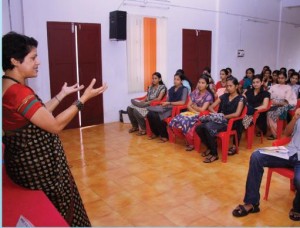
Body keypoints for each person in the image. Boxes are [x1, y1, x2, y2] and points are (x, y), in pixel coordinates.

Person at [2, 32, 108, 227]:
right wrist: (83, 99)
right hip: (36, 172)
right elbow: (54, 125)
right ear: (15, 61)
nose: (38, 62)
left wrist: (62, 95)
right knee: (60, 212)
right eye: (33, 58)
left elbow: (38, 114)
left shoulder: (10, 85)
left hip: (25, 167)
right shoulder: (16, 92)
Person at [232, 108, 300, 221]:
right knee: (257, 156)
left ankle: (298, 207)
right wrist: (295, 118)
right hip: (289, 152)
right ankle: (252, 203)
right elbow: (287, 133)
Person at [195, 76, 246, 162]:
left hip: (230, 123)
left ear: (236, 86)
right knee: (199, 128)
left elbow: (237, 114)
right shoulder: (224, 96)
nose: (228, 88)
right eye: (227, 86)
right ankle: (210, 147)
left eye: (230, 86)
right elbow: (211, 107)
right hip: (219, 120)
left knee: (207, 127)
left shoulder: (241, 98)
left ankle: (214, 154)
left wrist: (223, 117)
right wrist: (217, 115)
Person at [168, 75, 214, 151]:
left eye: (203, 83)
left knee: (184, 121)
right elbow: (188, 105)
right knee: (175, 119)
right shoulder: (194, 92)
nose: (200, 84)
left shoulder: (208, 95)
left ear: (207, 85)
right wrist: (194, 110)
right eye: (199, 82)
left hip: (202, 115)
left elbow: (203, 109)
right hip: (192, 113)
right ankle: (185, 138)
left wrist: (195, 108)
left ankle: (191, 143)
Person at [146, 73, 188, 142]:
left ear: (181, 81)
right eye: (174, 79)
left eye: (177, 79)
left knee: (157, 115)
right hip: (168, 107)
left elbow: (182, 102)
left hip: (176, 109)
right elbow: (167, 100)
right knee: (150, 114)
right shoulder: (171, 89)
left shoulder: (184, 89)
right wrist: (165, 103)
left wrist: (169, 103)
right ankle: (156, 133)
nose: (175, 81)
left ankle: (164, 136)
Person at [267, 72, 297, 140]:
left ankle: (275, 134)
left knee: (271, 114)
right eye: (279, 78)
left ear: (286, 78)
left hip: (286, 104)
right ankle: (271, 131)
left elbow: (286, 102)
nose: (280, 80)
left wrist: (275, 103)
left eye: (282, 78)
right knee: (266, 112)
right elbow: (268, 95)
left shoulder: (288, 88)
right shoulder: (274, 86)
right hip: (273, 104)